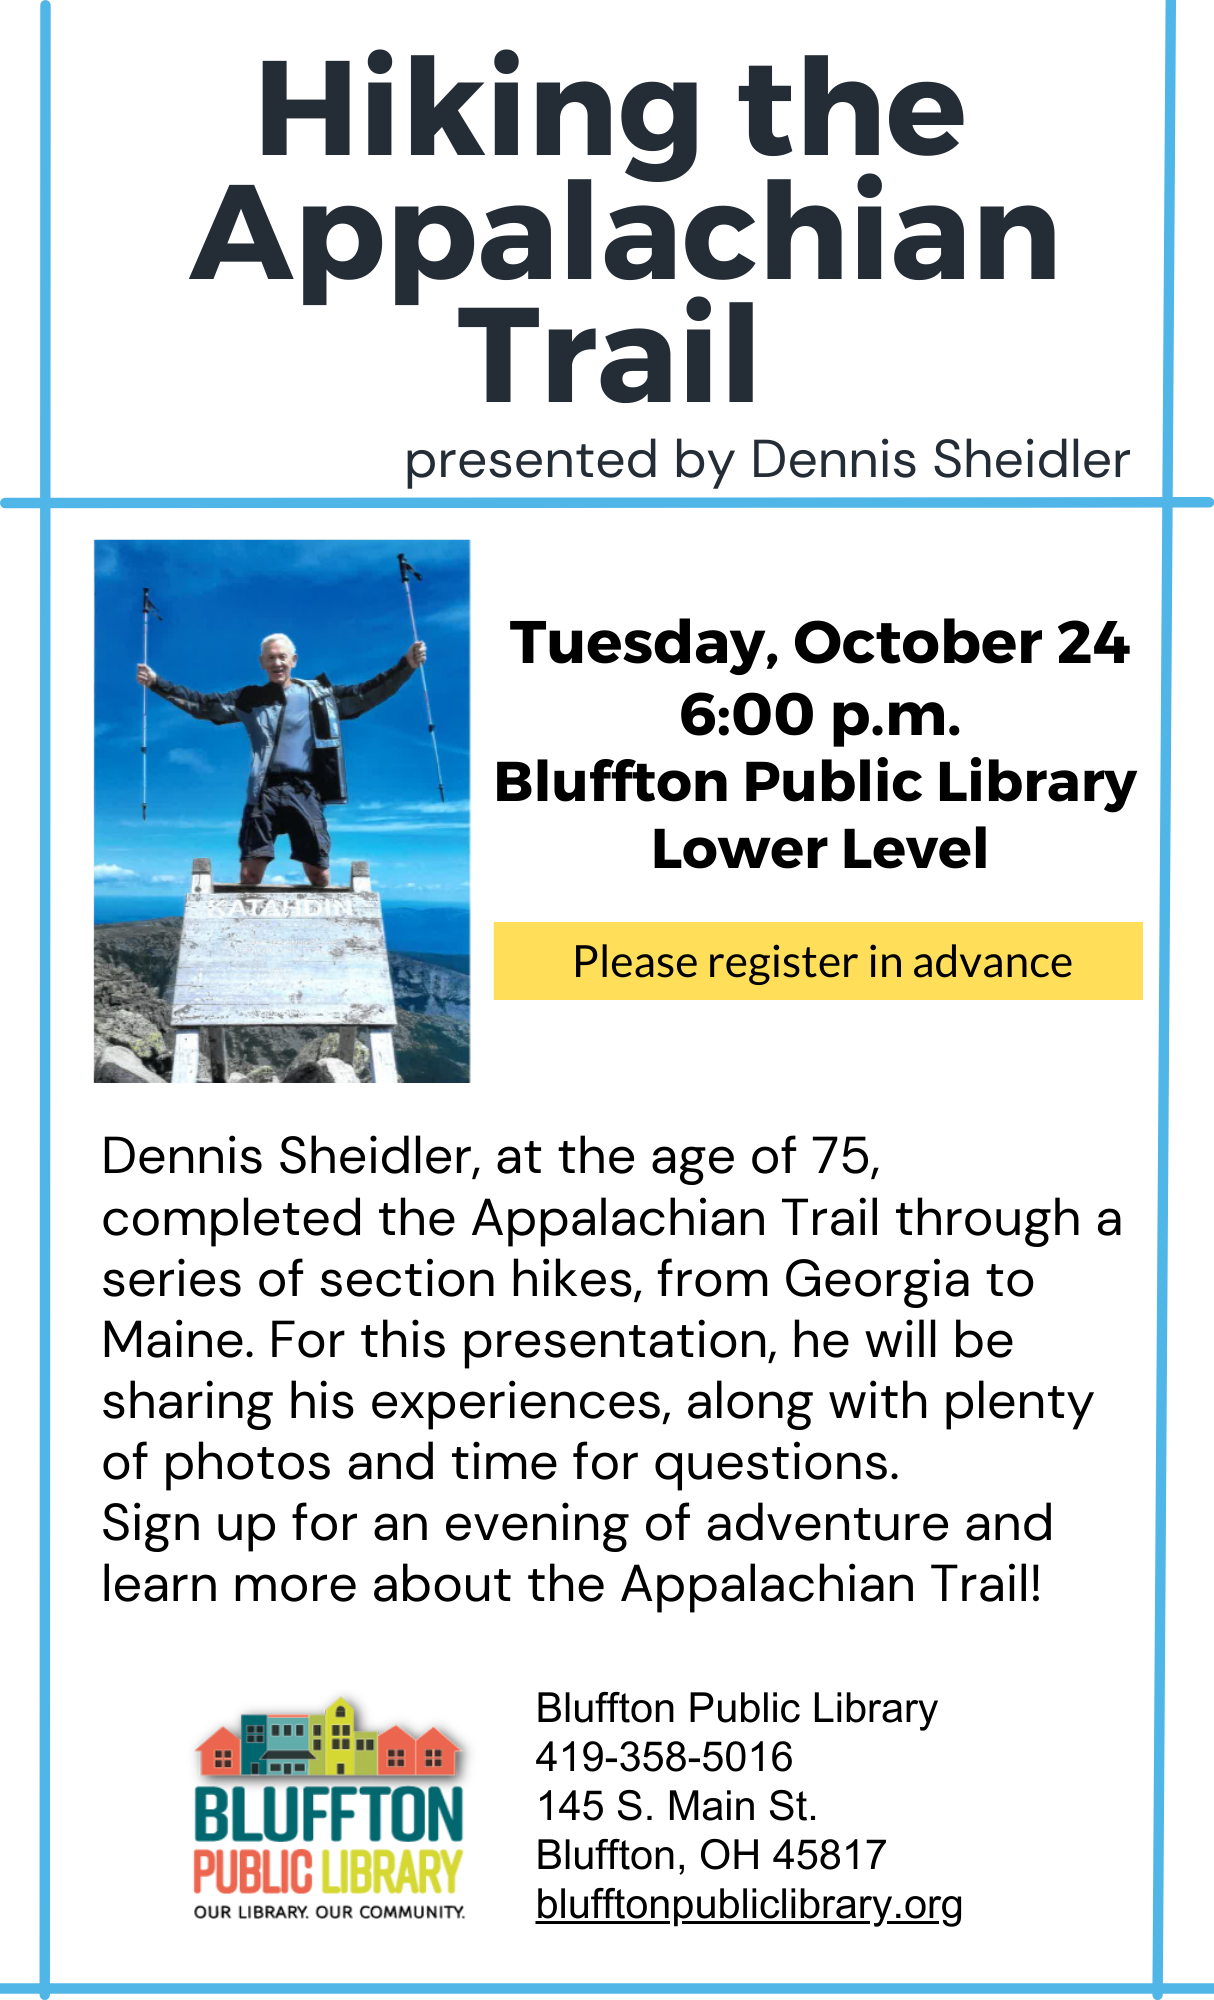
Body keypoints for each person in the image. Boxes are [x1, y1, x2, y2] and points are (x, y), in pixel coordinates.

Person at [136, 632, 426, 889]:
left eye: (282, 657)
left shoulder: (320, 695)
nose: (277, 663)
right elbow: (203, 704)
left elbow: (366, 694)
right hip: (264, 791)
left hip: (305, 789)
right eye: (271, 658)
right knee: (250, 875)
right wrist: (158, 683)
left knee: (319, 876)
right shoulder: (249, 698)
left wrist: (406, 666)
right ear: (262, 662)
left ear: (294, 660)